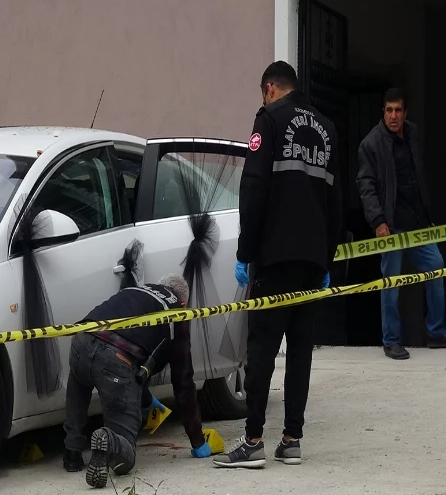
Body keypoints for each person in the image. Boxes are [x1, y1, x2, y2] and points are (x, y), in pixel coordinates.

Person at [213, 61, 342, 469]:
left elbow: (253, 189)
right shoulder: (327, 128)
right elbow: (334, 203)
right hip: (311, 259)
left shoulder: (267, 120)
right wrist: (327, 258)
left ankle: (252, 440)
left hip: (276, 256)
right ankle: (292, 439)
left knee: (263, 347)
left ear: (270, 88)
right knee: (301, 348)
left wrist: (244, 253)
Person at [62, 274, 211, 489]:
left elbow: (145, 357)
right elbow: (184, 383)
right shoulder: (176, 314)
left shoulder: (137, 291)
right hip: (116, 357)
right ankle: (109, 439)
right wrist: (198, 441)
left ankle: (72, 454)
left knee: (79, 381)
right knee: (126, 457)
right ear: (183, 303)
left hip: (81, 339)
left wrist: (146, 399)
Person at [356, 88, 446, 360]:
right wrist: (378, 221)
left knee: (437, 270)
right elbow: (366, 185)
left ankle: (437, 333)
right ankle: (392, 340)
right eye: (388, 110)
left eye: (398, 110)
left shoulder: (413, 134)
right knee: (391, 282)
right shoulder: (370, 144)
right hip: (391, 224)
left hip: (419, 222)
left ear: (405, 113)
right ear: (382, 112)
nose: (393, 116)